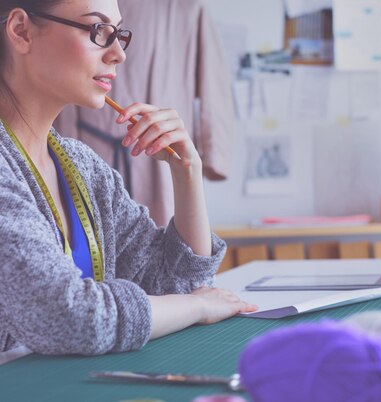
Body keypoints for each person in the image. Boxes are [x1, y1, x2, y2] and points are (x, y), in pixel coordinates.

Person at [0, 0, 256, 356]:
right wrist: (197, 307)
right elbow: (67, 319)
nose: (118, 54)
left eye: (119, 34)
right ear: (21, 31)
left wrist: (186, 173)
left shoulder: (82, 166)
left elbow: (179, 287)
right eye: (98, 30)